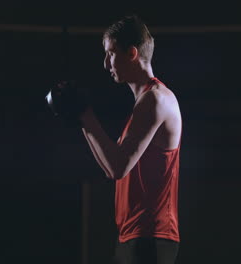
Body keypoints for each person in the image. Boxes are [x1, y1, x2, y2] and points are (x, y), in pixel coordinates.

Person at [79, 15, 182, 264]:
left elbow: (117, 167)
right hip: (134, 236)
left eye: (111, 53)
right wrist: (82, 118)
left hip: (150, 236)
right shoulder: (143, 106)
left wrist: (85, 115)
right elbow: (110, 168)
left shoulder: (155, 99)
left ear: (132, 53)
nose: (106, 64)